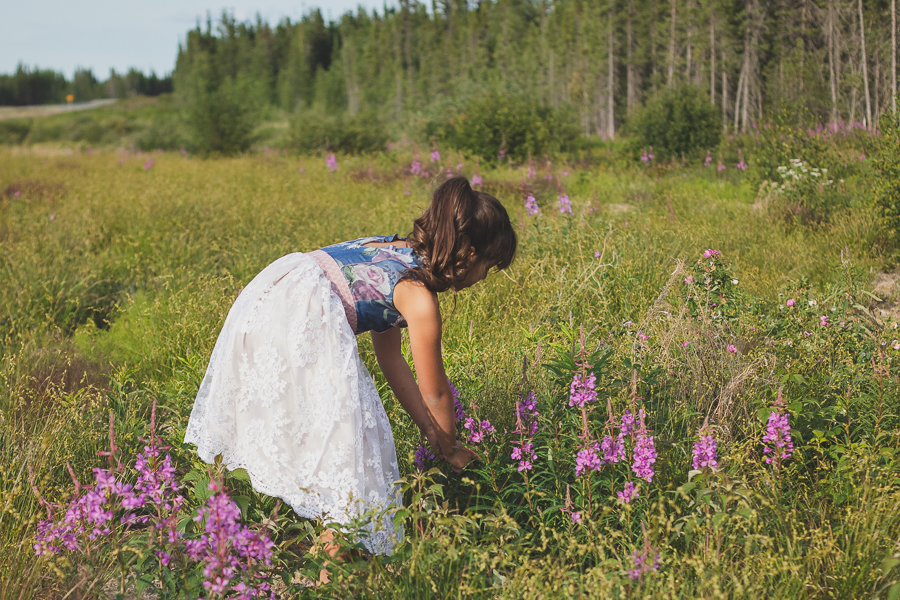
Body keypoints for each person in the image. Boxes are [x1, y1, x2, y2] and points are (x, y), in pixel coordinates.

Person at [183, 176, 517, 562]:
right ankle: (330, 575)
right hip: (297, 321)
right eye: (489, 268)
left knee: (334, 450)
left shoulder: (388, 250)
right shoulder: (420, 298)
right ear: (470, 254)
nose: (483, 279)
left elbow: (390, 359)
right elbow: (436, 391)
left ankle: (268, 548)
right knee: (354, 469)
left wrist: (429, 429)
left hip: (265, 302)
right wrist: (450, 447)